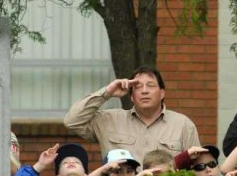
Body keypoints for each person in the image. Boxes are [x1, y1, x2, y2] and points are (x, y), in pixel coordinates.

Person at [64, 66, 200, 162]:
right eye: (138, 87)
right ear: (131, 96)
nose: (144, 91)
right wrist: (107, 92)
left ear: (162, 93)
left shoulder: (182, 125)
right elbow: (72, 121)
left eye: (151, 85)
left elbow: (197, 166)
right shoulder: (109, 120)